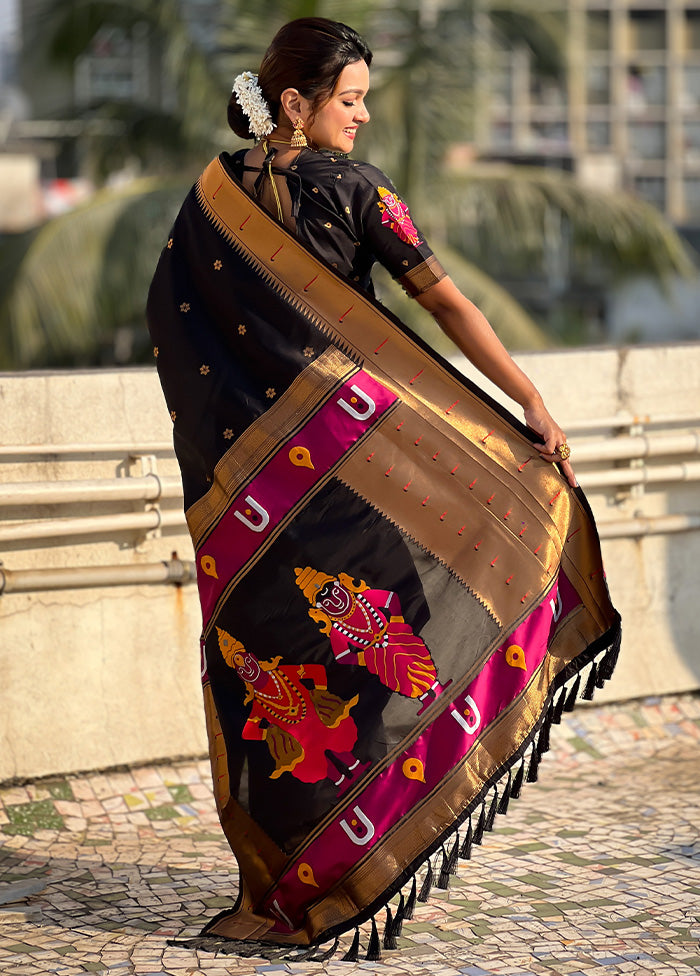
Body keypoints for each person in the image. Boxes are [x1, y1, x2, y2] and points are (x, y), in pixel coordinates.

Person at [147, 17, 620, 962]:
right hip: (348, 488)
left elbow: (174, 326)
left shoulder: (212, 195)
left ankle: (275, 884)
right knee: (393, 631)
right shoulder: (356, 190)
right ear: (294, 103)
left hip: (242, 498)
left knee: (264, 672)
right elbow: (444, 303)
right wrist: (527, 400)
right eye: (351, 99)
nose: (363, 118)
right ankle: (356, 849)